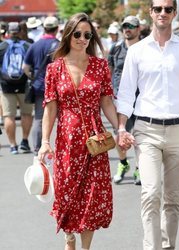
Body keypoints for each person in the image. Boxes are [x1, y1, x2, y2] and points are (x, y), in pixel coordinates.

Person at [116, 0, 179, 249]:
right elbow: (127, 93)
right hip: (146, 130)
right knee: (150, 193)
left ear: (174, 13)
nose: (163, 13)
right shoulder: (137, 51)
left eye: (168, 9)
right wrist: (120, 127)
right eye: (158, 9)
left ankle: (168, 246)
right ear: (150, 13)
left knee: (172, 198)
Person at [37, 13, 122, 250]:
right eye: (78, 34)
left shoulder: (100, 65)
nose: (83, 39)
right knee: (66, 192)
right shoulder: (54, 69)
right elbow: (50, 108)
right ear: (68, 34)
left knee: (93, 196)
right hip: (66, 139)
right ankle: (69, 236)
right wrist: (45, 141)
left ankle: (85, 248)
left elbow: (106, 102)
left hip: (95, 140)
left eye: (87, 35)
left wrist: (120, 129)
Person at [108, 15, 141, 185]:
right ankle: (123, 163)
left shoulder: (146, 48)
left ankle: (139, 169)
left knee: (140, 137)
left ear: (138, 29)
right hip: (120, 100)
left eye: (131, 26)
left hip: (142, 99)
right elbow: (109, 72)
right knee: (118, 136)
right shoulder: (116, 49)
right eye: (125, 26)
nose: (127, 29)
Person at [23, 16, 59, 156]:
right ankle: (61, 147)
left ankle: (38, 149)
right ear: (57, 29)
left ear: (44, 28)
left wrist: (33, 77)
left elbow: (25, 67)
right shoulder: (59, 45)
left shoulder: (35, 45)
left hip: (39, 86)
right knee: (61, 118)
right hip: (58, 87)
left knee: (39, 117)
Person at [0, 22, 33, 154]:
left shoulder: (2, 47)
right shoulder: (27, 46)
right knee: (26, 114)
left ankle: (13, 145)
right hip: (25, 85)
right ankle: (24, 141)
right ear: (20, 32)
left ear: (7, 33)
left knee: (9, 116)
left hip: (6, 86)